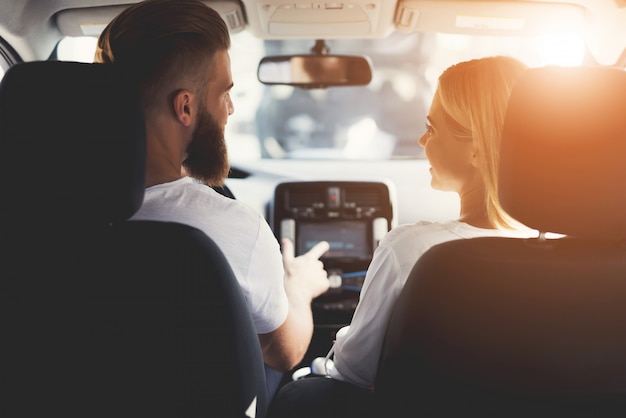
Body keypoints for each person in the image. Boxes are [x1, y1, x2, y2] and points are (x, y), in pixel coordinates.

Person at [267, 55, 534, 417]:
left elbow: (355, 371)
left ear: (476, 149)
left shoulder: (410, 249)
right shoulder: (567, 256)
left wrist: (331, 349)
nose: (423, 140)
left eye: (432, 128)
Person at [93, 0, 330, 401]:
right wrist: (300, 289)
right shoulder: (232, 226)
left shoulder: (29, 211)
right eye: (225, 93)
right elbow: (283, 351)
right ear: (185, 106)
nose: (231, 109)